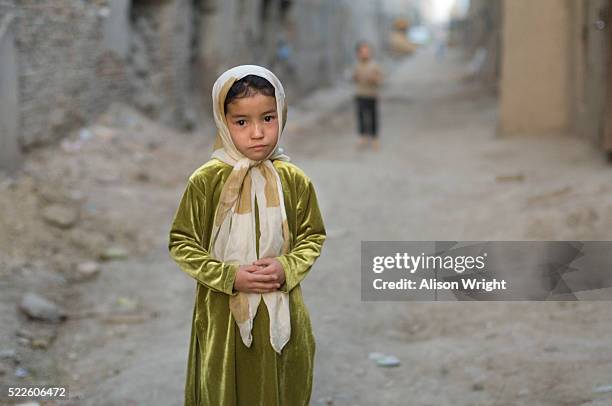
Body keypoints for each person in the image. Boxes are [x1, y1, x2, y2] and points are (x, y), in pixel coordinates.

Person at [168, 65, 326, 405]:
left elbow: (312, 236)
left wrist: (287, 267)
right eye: (242, 122)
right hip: (222, 313)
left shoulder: (294, 179)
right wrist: (231, 276)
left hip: (280, 306)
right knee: (226, 387)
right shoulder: (206, 180)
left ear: (281, 114)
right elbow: (182, 242)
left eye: (268, 118)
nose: (258, 133)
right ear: (223, 123)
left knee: (282, 386)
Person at [352, 41, 384, 150]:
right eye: (362, 52)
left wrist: (375, 80)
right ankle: (362, 137)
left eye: (367, 52)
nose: (365, 54)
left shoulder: (374, 65)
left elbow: (380, 80)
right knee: (361, 116)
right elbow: (353, 78)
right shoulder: (357, 65)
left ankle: (375, 138)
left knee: (373, 117)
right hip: (360, 94)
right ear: (358, 53)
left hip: (372, 95)